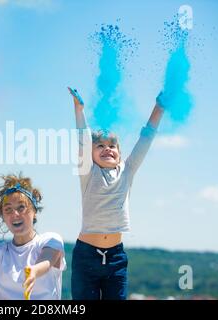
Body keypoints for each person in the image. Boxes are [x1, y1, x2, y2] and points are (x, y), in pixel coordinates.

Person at [68, 87, 165, 300]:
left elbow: (145, 139)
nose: (107, 148)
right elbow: (83, 139)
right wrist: (79, 109)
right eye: (100, 145)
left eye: (112, 145)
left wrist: (158, 108)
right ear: (90, 155)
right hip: (86, 258)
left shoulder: (127, 171)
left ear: (120, 153)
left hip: (116, 258)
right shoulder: (89, 174)